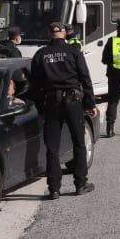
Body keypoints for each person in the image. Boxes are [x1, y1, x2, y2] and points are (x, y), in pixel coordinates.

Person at [28, 22, 96, 198]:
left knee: (52, 147)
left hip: (52, 103)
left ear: (50, 35)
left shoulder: (41, 54)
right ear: (64, 34)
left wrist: (41, 109)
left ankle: (54, 188)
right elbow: (85, 77)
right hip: (73, 102)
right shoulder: (73, 52)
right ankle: (80, 184)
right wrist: (90, 103)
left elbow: (34, 87)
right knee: (79, 143)